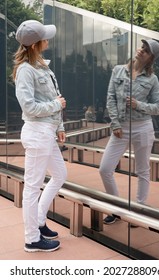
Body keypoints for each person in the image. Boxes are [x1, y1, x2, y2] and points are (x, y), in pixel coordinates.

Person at [12, 20, 67, 252]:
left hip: (47, 131)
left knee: (60, 175)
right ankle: (32, 239)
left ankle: (40, 220)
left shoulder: (42, 66)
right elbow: (30, 107)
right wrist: (55, 106)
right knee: (33, 187)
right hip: (36, 132)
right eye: (45, 37)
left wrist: (59, 126)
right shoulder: (25, 70)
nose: (48, 40)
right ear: (35, 44)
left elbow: (54, 97)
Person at [99, 39, 159, 225]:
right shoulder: (118, 70)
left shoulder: (152, 79)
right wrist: (115, 124)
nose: (141, 51)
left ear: (151, 58)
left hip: (143, 127)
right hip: (120, 128)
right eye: (142, 47)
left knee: (142, 170)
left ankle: (138, 209)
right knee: (105, 169)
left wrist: (139, 105)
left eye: (146, 50)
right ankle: (116, 207)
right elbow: (110, 98)